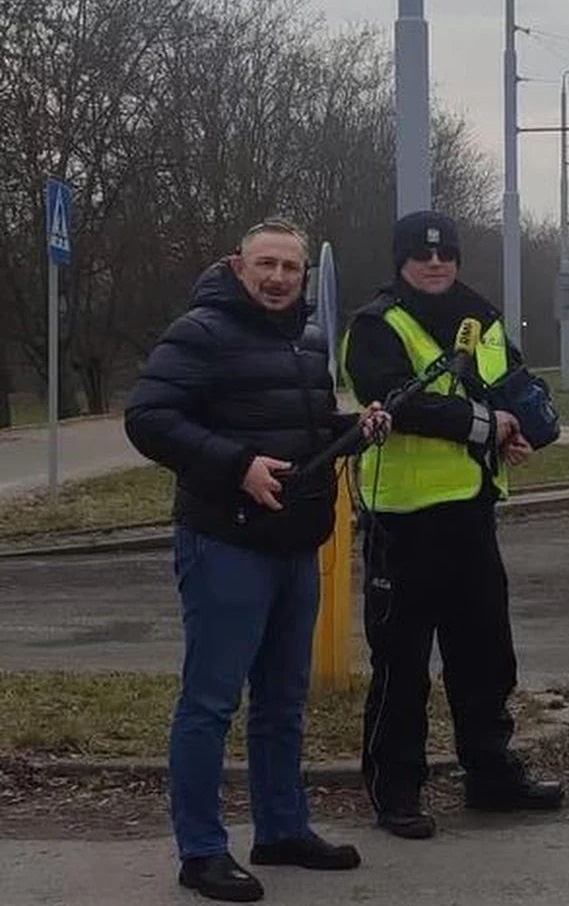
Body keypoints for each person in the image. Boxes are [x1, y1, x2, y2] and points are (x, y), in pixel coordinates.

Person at [125, 219, 390, 904]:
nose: (277, 279)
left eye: (290, 269)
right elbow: (148, 417)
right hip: (225, 541)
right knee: (210, 703)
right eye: (265, 265)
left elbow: (299, 429)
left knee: (282, 702)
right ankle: (202, 850)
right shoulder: (201, 332)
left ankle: (281, 828)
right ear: (238, 266)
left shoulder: (306, 339)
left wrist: (351, 432)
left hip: (294, 545)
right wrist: (237, 465)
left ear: (304, 277)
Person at [342, 209, 563, 841]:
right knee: (402, 664)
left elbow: (507, 383)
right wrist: (487, 427)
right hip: (402, 521)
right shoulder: (375, 323)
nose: (434, 264)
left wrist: (519, 432)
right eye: (420, 255)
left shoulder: (481, 316)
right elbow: (397, 401)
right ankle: (396, 790)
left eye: (445, 255)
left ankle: (491, 774)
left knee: (485, 653)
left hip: (471, 513)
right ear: (400, 260)